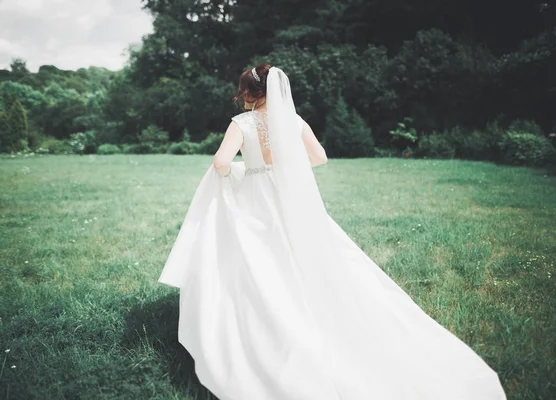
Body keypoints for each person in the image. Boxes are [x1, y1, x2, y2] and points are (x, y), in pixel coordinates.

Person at [158, 64, 507, 400]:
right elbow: (320, 157)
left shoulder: (243, 123)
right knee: (301, 255)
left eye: (243, 92)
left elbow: (220, 163)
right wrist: (285, 165)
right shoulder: (293, 121)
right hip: (290, 197)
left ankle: (264, 325)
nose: (241, 98)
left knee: (260, 259)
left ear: (252, 92)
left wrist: (242, 170)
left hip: (256, 197)